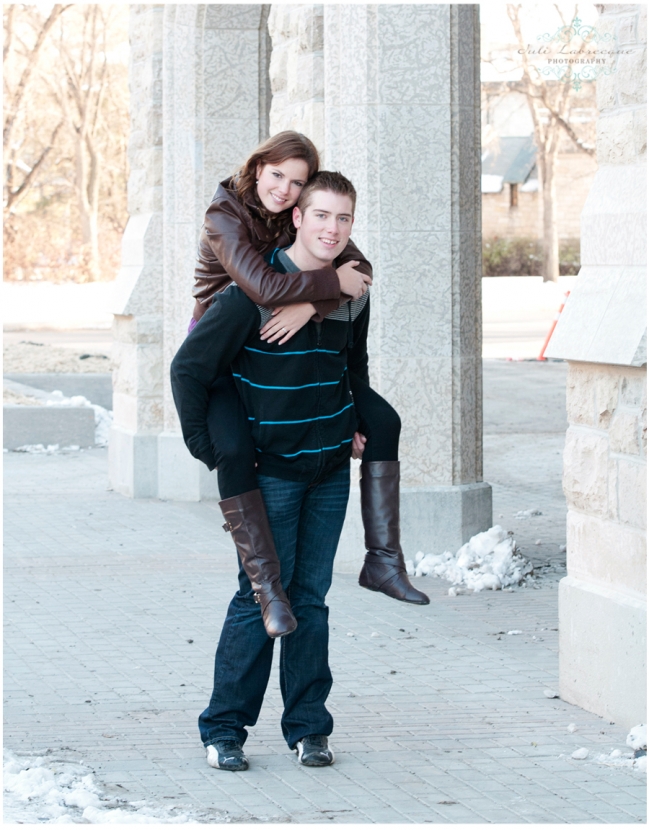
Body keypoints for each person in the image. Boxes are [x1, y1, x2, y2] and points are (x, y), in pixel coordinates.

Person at [171, 172, 376, 770]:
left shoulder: (353, 293)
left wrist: (356, 419)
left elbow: (353, 367)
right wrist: (210, 449)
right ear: (297, 219)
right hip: (272, 473)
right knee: (259, 596)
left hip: (330, 468)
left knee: (311, 598)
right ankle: (224, 728)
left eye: (343, 219)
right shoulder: (250, 294)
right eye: (321, 216)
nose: (332, 229)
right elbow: (190, 368)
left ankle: (309, 727)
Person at [189, 131, 429, 642]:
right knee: (231, 450)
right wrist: (317, 295)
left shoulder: (297, 213)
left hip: (286, 319)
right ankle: (265, 584)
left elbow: (356, 269)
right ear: (257, 169)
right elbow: (264, 289)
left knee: (384, 420)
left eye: (297, 182)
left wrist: (314, 304)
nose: (285, 189)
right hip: (224, 342)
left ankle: (383, 558)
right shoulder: (224, 214)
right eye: (277, 176)